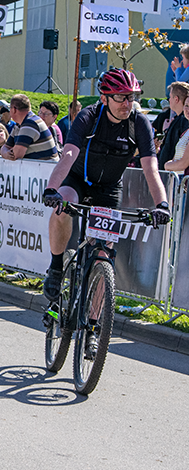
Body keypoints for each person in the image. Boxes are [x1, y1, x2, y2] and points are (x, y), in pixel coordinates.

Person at [41, 68, 170, 301]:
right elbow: (68, 155)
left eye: (131, 97)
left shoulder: (139, 124)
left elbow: (151, 168)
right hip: (78, 179)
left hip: (109, 187)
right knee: (63, 207)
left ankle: (94, 326)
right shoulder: (89, 117)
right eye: (120, 97)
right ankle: (56, 266)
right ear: (104, 98)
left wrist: (162, 204)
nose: (126, 103)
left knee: (103, 255)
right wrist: (52, 189)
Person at [0, 94, 58, 161]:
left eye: (10, 109)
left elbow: (17, 155)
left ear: (14, 110)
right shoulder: (19, 124)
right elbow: (6, 146)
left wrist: (6, 153)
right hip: (39, 168)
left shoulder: (30, 124)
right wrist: (5, 153)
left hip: (47, 169)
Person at [158, 82, 189, 169]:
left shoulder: (184, 121)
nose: (169, 100)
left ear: (176, 99)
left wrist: (166, 166)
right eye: (186, 105)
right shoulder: (178, 120)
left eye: (170, 97)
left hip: (179, 177)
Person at [164, 95, 189, 174]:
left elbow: (183, 163)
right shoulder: (186, 132)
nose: (188, 109)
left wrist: (166, 165)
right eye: (187, 105)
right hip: (179, 182)